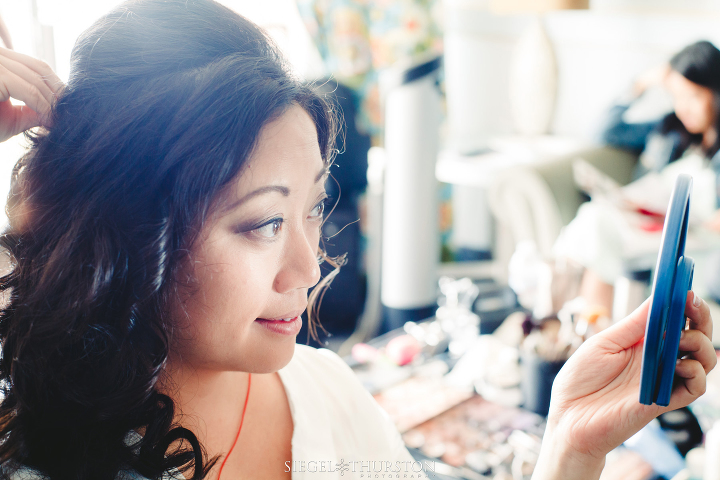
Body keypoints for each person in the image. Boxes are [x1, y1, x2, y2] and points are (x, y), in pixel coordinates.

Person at [0, 2, 714, 480]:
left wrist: (571, 441)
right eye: (261, 224)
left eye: (312, 208)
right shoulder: (31, 440)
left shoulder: (327, 394)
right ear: (128, 227)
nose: (309, 267)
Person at [554, 40, 720, 315]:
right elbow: (605, 131)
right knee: (596, 219)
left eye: (692, 97)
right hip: (652, 225)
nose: (683, 108)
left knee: (596, 222)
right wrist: (641, 83)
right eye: (676, 97)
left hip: (695, 236)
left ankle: (582, 336)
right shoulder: (669, 130)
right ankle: (589, 335)